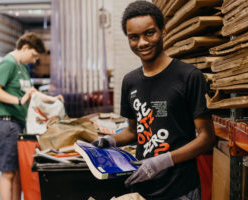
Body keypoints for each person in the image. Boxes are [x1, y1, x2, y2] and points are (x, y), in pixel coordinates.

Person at [92, 1, 215, 200]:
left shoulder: (188, 76)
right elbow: (133, 131)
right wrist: (110, 140)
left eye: (149, 33)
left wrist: (163, 161)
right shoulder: (130, 81)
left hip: (180, 189)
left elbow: (206, 137)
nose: (142, 43)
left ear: (163, 30)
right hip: (142, 185)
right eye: (134, 37)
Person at [0, 32, 63, 200]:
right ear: (25, 48)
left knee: (17, 174)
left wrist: (52, 99)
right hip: (4, 124)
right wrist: (19, 101)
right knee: (8, 173)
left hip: (17, 125)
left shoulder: (22, 67)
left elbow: (32, 93)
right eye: (34, 55)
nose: (35, 60)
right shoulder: (8, 63)